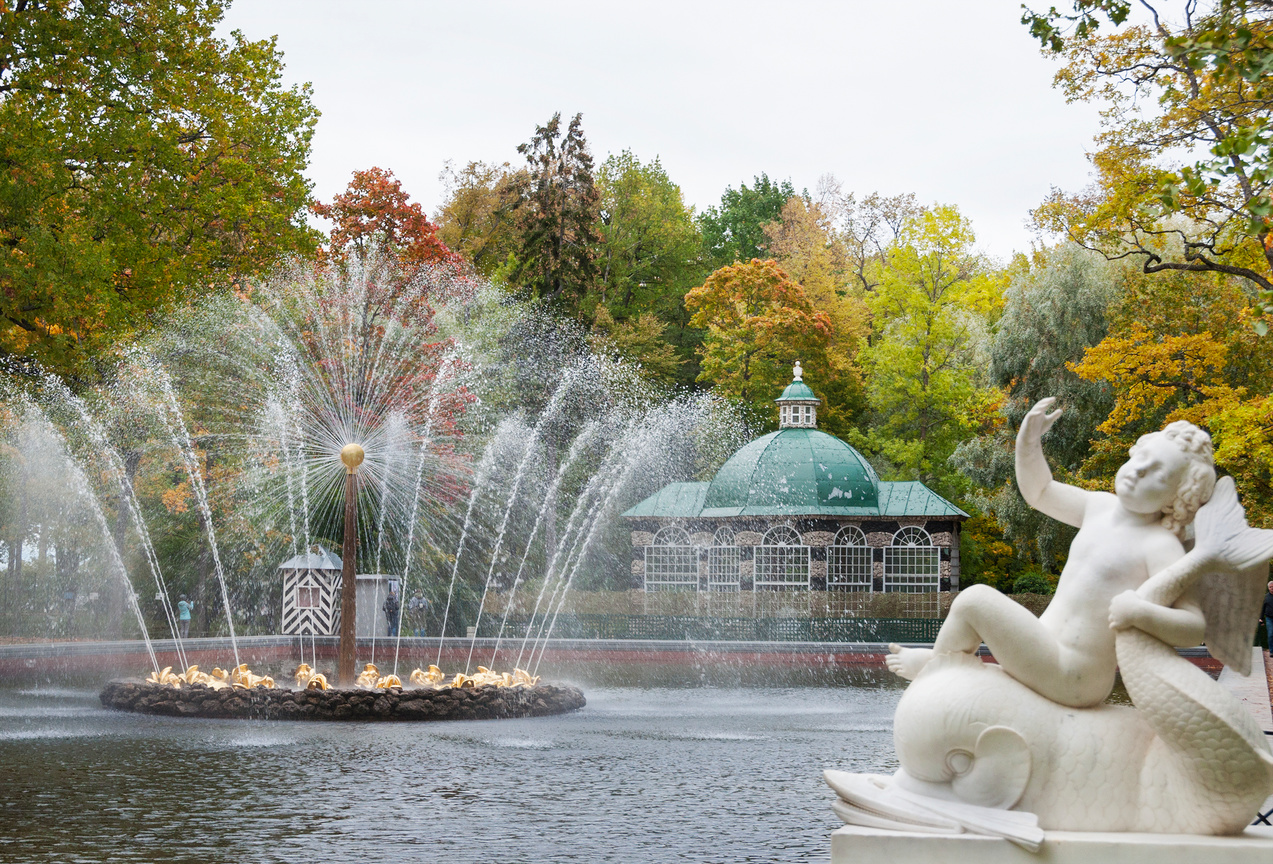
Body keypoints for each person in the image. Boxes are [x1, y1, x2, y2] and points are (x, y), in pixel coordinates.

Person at [887, 397, 1215, 709]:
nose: (1139, 471)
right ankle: (944, 665)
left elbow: (1193, 626)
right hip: (1046, 646)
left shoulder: (1160, 546)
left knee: (974, 601)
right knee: (978, 618)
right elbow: (1040, 491)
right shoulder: (1099, 505)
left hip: (1076, 672)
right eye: (1141, 458)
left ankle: (937, 667)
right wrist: (1028, 444)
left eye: (1158, 473)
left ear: (1178, 497)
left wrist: (1139, 613)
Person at [1264, 580, 1273, 652]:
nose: (1272, 588)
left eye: (1272, 587)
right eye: (1270, 587)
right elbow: (1262, 608)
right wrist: (1261, 618)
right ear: (1268, 588)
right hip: (1269, 618)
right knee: (1270, 634)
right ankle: (1272, 651)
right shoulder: (1266, 597)